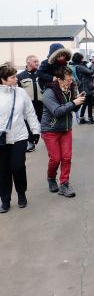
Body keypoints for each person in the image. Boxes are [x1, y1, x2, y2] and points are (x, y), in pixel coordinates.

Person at [0, 63, 41, 213]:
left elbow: (30, 113)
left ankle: (21, 194)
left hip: (19, 136)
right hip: (1, 139)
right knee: (3, 171)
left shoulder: (21, 93)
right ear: (3, 79)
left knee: (17, 167)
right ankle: (5, 200)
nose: (16, 79)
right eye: (12, 77)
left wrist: (35, 131)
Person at [41, 66, 86, 198]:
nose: (70, 82)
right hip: (50, 130)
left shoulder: (69, 89)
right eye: (68, 80)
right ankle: (51, 178)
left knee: (66, 158)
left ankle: (64, 184)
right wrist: (74, 102)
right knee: (55, 159)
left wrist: (79, 101)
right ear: (59, 80)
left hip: (66, 129)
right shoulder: (49, 92)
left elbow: (73, 109)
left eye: (71, 79)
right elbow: (57, 111)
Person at [17, 55, 42, 152]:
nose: (37, 63)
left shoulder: (40, 74)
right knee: (28, 123)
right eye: (35, 61)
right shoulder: (20, 76)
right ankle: (31, 142)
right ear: (28, 63)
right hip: (28, 104)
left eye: (37, 61)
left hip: (41, 103)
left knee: (41, 122)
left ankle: (46, 137)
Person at [71, 53, 94, 124]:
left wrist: (89, 63)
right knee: (89, 103)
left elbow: (86, 71)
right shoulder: (79, 67)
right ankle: (90, 118)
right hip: (86, 87)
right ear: (80, 59)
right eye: (82, 58)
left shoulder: (78, 66)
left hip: (84, 87)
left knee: (85, 103)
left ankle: (82, 118)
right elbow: (90, 72)